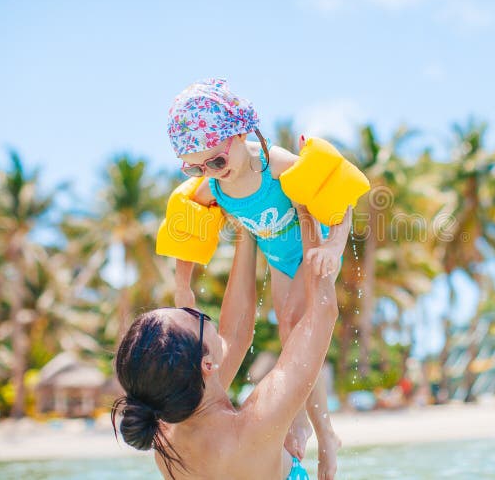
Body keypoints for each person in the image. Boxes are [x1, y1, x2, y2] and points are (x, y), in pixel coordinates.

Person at [157, 78, 368, 477]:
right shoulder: (212, 186)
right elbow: (186, 229)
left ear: (241, 133)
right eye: (194, 166)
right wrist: (183, 284)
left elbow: (339, 198)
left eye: (217, 162)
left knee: (292, 324)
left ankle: (323, 434)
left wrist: (334, 249)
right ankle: (315, 426)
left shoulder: (276, 164)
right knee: (289, 336)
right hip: (276, 259)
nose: (209, 172)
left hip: (308, 250)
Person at [113, 209, 344, 479]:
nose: (194, 310)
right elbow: (321, 311)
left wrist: (246, 224)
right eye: (194, 316)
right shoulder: (257, 422)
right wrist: (307, 215)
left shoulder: (167, 435)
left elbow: (236, 333)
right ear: (207, 364)